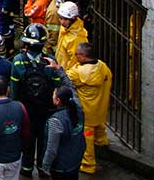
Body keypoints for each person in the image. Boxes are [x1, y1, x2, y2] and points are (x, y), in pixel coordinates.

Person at [10, 24, 66, 177]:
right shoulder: (50, 61)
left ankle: (27, 169)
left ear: (26, 43)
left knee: (27, 140)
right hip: (46, 110)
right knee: (44, 140)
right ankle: (42, 168)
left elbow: (14, 89)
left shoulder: (18, 61)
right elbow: (58, 84)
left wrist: (15, 109)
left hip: (26, 110)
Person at [66, 43, 111, 175]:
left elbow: (66, 77)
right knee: (100, 127)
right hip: (100, 108)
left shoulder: (79, 72)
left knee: (87, 138)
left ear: (83, 57)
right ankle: (102, 142)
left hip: (87, 112)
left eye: (77, 55)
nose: (75, 57)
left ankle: (88, 164)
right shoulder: (102, 66)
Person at [42, 87, 85, 180]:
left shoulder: (56, 121)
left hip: (61, 167)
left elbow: (51, 149)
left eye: (53, 95)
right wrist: (60, 72)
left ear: (57, 100)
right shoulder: (79, 108)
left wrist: (45, 167)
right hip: (76, 159)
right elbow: (72, 88)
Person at [55, 2, 88, 73]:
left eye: (65, 19)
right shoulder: (65, 28)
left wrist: (65, 77)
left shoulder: (77, 38)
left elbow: (74, 62)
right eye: (60, 18)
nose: (62, 22)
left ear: (73, 19)